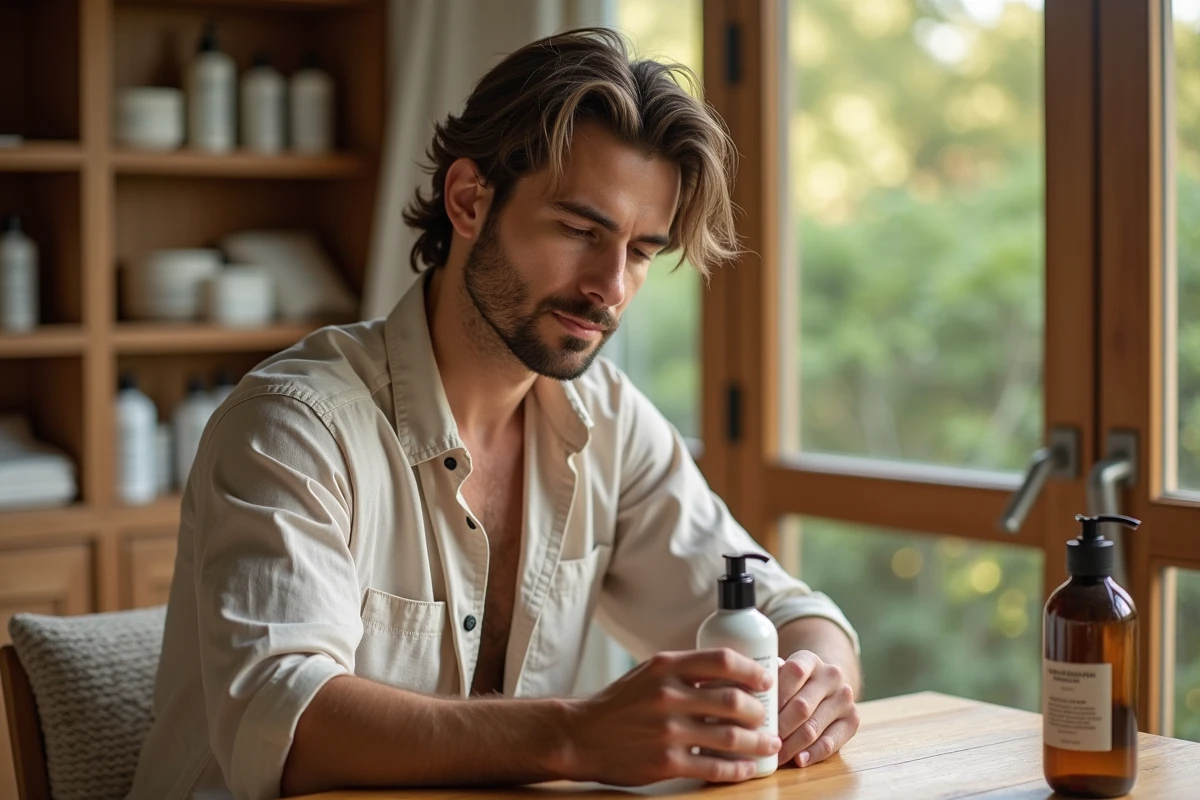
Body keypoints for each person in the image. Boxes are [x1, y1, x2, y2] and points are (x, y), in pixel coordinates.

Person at [127, 27, 862, 800]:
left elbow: (785, 609)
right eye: (581, 231)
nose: (611, 286)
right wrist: (578, 735)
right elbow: (289, 727)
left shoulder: (609, 422)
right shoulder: (295, 426)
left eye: (642, 251)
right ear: (470, 201)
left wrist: (815, 683)